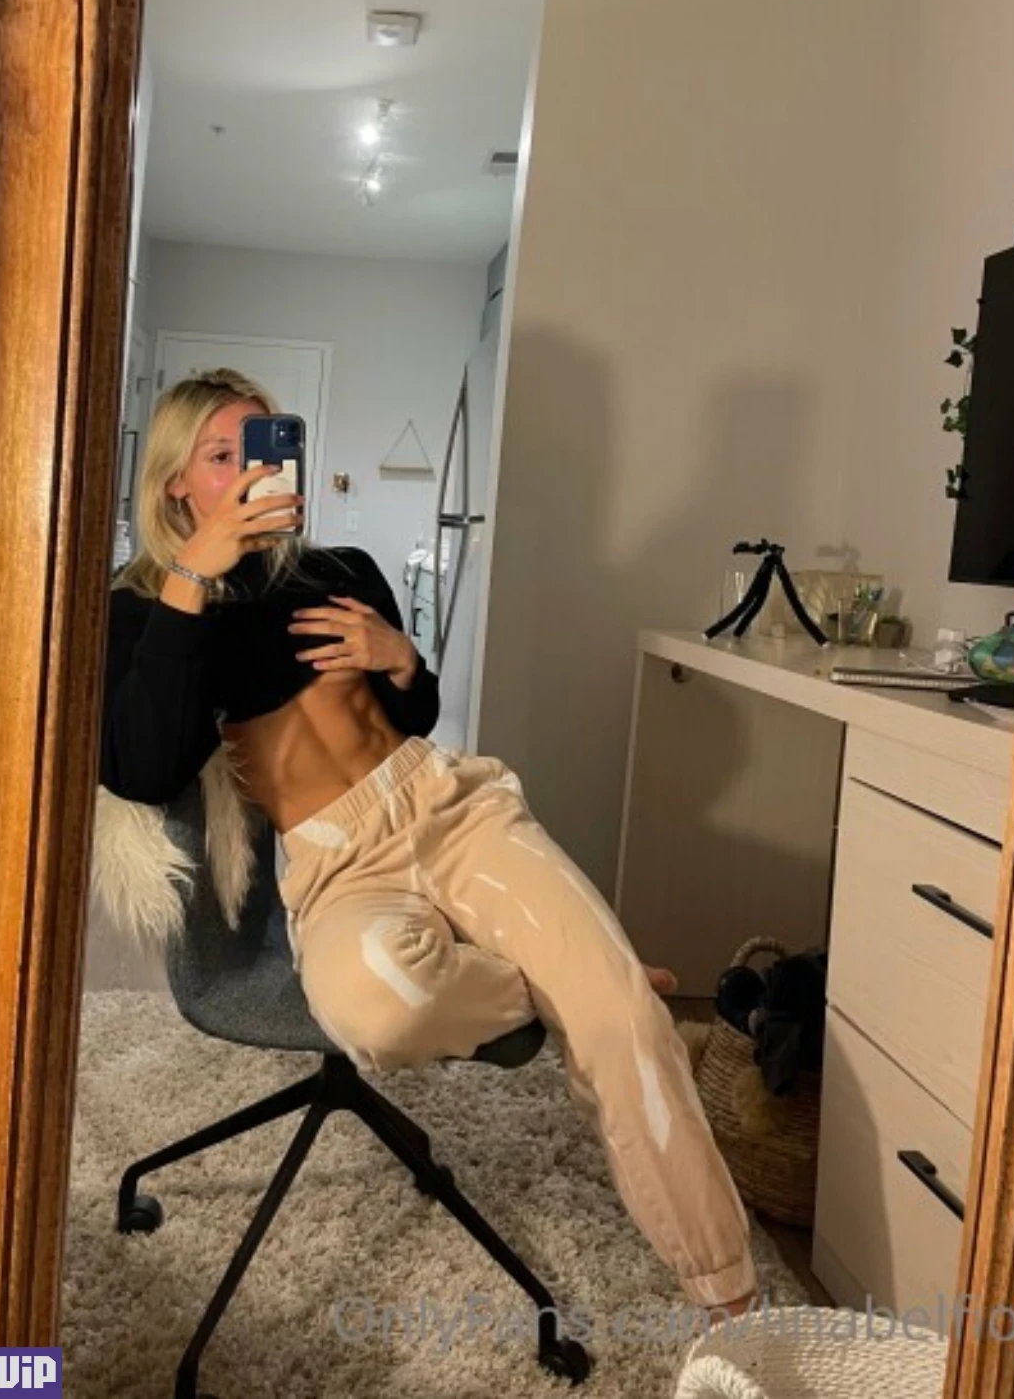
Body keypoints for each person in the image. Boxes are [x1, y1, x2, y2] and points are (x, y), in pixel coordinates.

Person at [102, 367, 757, 1314]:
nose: (252, 470)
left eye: (265, 445)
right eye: (222, 455)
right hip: (337, 862)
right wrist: (195, 573)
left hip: (449, 807)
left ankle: (729, 1298)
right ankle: (575, 975)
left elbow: (417, 712)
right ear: (175, 483)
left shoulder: (342, 569)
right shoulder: (149, 610)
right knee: (377, 1008)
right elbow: (143, 764)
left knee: (624, 1024)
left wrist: (402, 659)